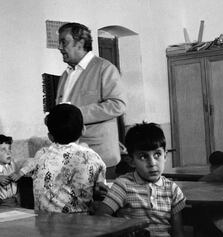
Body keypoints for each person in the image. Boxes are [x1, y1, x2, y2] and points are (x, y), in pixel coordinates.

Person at [56, 22, 126, 179]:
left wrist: (75, 114)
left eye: (64, 42)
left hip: (99, 157)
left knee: (100, 203)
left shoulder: (105, 69)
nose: (60, 47)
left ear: (80, 43)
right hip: (73, 158)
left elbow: (118, 105)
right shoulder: (65, 74)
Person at [95, 122, 185, 237]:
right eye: (143, 156)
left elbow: (178, 233)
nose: (152, 163)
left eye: (157, 154)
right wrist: (125, 228)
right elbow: (100, 216)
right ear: (131, 161)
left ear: (165, 156)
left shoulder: (173, 189)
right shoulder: (123, 185)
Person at [17, 103, 106, 213]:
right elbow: (100, 192)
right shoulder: (91, 156)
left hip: (42, 224)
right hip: (80, 225)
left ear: (50, 136)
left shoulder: (41, 154)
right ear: (83, 130)